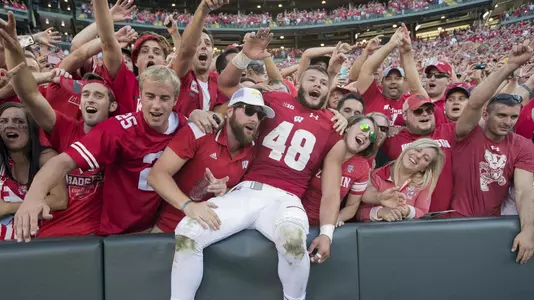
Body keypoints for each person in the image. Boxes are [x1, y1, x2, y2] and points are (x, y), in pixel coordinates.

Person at [169, 29, 347, 300]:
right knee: (187, 232)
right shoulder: (274, 100)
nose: (318, 85)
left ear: (329, 89)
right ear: (297, 81)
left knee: (293, 242)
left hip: (287, 199)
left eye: (323, 83)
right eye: (311, 79)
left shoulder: (333, 128)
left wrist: (327, 233)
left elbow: (331, 190)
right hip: (248, 191)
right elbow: (227, 87)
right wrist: (243, 57)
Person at [13, 65, 186, 241]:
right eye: (150, 96)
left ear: (176, 99)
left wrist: (200, 116)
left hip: (156, 227)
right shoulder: (118, 129)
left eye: (164, 98)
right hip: (117, 232)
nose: (156, 105)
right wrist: (34, 197)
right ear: (140, 95)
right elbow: (61, 162)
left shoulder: (186, 127)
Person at [0, 11, 117, 238]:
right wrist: (14, 48)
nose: (90, 98)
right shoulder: (66, 128)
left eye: (99, 95)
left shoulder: (119, 132)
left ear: (112, 107)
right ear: (79, 102)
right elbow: (28, 94)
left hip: (91, 237)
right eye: (86, 94)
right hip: (47, 233)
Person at [451, 41, 534, 264]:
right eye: (501, 116)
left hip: (493, 227)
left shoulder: (523, 146)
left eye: (513, 117)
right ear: (486, 115)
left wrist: (529, 230)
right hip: (453, 223)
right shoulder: (467, 133)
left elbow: (524, 191)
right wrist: (510, 66)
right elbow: (475, 102)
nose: (508, 122)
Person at [149, 87, 273, 233]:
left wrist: (225, 191)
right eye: (249, 110)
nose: (255, 118)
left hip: (216, 232)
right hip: (172, 227)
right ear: (230, 111)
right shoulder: (199, 132)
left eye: (260, 115)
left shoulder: (253, 151)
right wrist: (189, 206)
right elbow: (156, 176)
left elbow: (243, 195)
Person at [0, 102, 67, 240]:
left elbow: (60, 200)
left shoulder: (46, 158)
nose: (10, 125)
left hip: (35, 245)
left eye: (19, 121)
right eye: (3, 121)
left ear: (31, 129)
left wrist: (8, 208)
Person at [302, 115, 377, 226]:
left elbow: (352, 206)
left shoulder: (362, 166)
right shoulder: (323, 145)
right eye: (365, 127)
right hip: (295, 216)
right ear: (348, 127)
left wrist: (336, 219)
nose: (366, 135)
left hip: (324, 227)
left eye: (372, 136)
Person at [358, 138, 444, 222]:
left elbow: (423, 214)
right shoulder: (376, 175)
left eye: (425, 158)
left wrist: (407, 211)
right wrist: (381, 212)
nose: (418, 156)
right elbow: (360, 213)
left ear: (425, 168)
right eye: (417, 150)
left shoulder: (423, 185)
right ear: (407, 149)